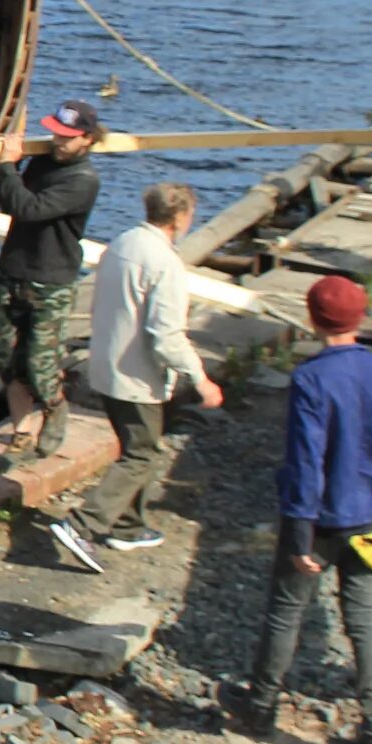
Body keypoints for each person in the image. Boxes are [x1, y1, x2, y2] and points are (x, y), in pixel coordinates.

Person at [225, 276, 372, 744]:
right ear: (362, 317)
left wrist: (298, 534)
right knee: (364, 621)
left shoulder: (311, 379)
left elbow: (305, 463)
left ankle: (260, 709)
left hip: (318, 523)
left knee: (285, 612)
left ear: (313, 319)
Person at [48, 183, 225, 565]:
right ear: (180, 218)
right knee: (142, 454)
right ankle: (83, 523)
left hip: (106, 365)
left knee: (137, 445)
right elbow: (166, 336)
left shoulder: (122, 244)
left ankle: (129, 527)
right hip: (137, 376)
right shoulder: (165, 263)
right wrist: (200, 378)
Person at [0, 99, 104, 460]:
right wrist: (14, 168)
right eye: (56, 132)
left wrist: (7, 165)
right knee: (7, 359)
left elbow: (28, 208)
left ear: (86, 139)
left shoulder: (83, 181)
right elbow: (10, 199)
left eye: (67, 137)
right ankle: (21, 434)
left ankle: (55, 406)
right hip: (15, 270)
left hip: (50, 280)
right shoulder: (42, 162)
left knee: (40, 364)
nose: (57, 141)